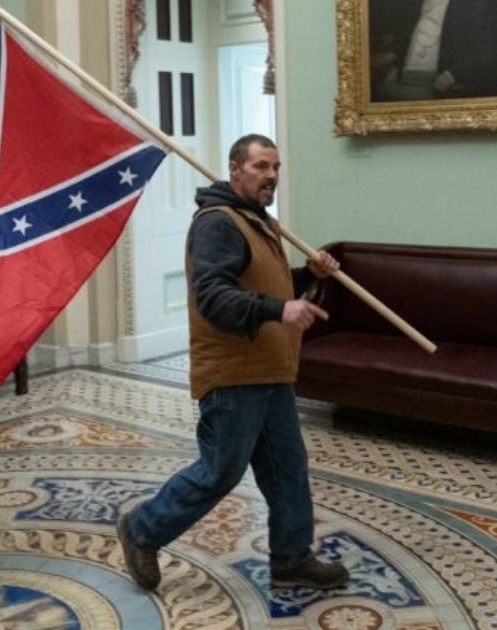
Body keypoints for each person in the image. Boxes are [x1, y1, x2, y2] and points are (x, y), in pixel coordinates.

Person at [117, 134, 350, 592]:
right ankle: (142, 529)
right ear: (235, 169)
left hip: (271, 370)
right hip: (234, 374)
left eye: (276, 167)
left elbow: (261, 284)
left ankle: (291, 557)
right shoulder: (218, 223)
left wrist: (307, 276)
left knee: (287, 468)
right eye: (261, 166)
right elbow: (215, 297)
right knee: (220, 470)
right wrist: (280, 310)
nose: (271, 176)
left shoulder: (256, 221)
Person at [370, 0, 497, 102]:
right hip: (405, 77)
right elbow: (412, 38)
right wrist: (396, 67)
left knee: (376, 92)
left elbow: (488, 51)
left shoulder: (476, 4)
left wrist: (452, 76)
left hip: (437, 85)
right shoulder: (416, 4)